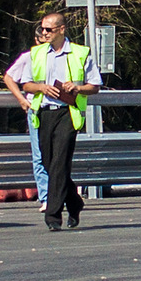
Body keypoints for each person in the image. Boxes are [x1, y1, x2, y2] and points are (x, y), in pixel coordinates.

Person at [19, 13, 102, 231]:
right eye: (42, 29)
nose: (44, 33)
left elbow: (94, 86)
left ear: (62, 30)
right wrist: (42, 88)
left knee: (59, 163)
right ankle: (75, 203)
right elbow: (26, 84)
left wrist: (77, 88)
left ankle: (52, 216)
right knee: (48, 163)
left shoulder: (80, 53)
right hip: (44, 113)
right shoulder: (36, 53)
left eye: (49, 30)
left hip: (68, 112)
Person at [3, 26, 49, 213]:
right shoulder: (28, 57)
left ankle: (60, 195)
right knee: (39, 155)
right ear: (36, 40)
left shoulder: (61, 56)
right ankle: (46, 197)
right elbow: (9, 77)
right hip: (36, 109)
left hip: (59, 109)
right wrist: (21, 99)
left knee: (57, 155)